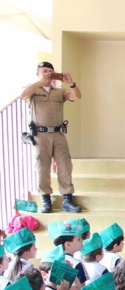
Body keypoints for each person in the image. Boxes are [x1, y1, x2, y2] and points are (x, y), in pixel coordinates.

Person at [20, 61, 82, 213]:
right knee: (42, 167)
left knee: (65, 166)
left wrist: (71, 83)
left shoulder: (59, 92)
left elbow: (77, 96)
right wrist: (40, 82)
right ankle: (46, 200)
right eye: (44, 71)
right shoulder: (34, 90)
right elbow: (23, 95)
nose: (47, 73)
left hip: (58, 134)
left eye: (50, 71)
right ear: (38, 73)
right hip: (40, 136)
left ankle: (67, 198)